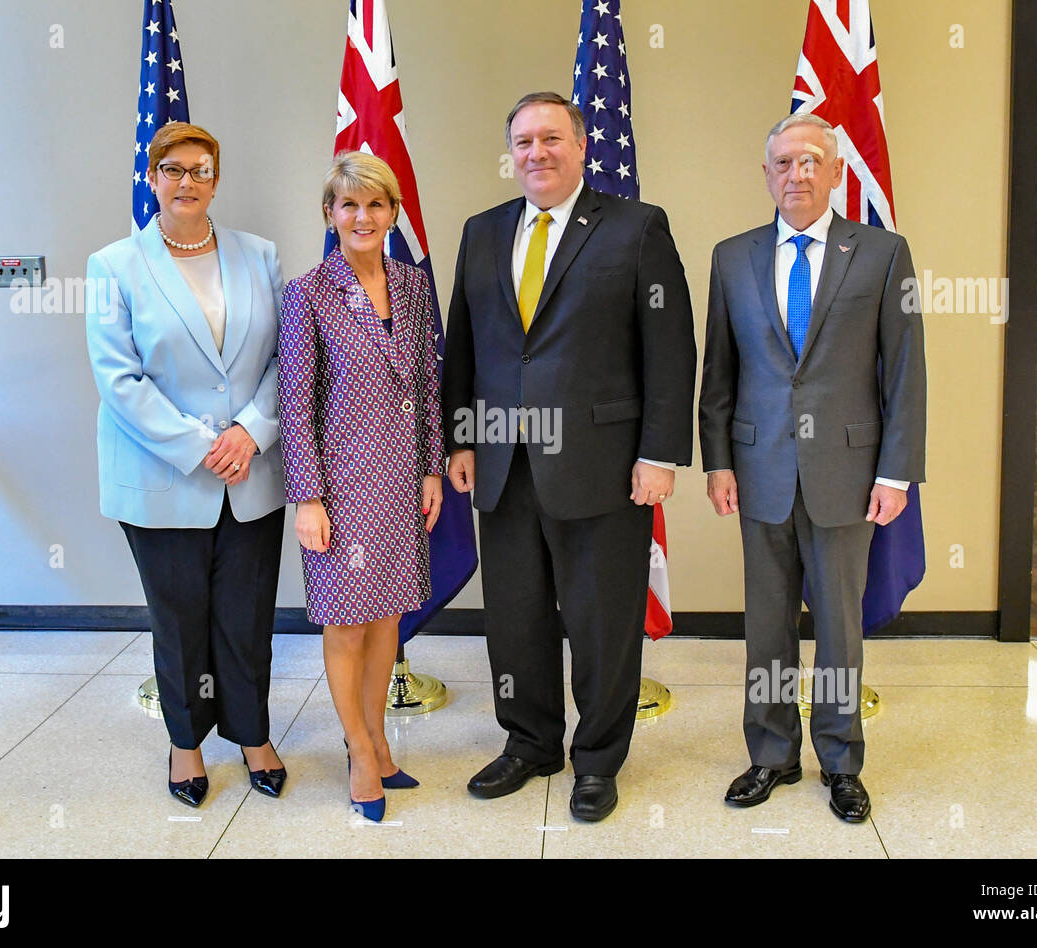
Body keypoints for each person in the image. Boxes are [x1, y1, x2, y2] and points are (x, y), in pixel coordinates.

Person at [443, 92, 696, 822]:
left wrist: (659, 454)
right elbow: (466, 344)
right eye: (523, 142)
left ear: (581, 146)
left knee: (600, 620)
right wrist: (461, 436)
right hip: (503, 462)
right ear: (511, 152)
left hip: (604, 463)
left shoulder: (635, 227)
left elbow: (670, 349)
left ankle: (597, 759)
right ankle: (529, 743)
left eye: (551, 138)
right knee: (515, 618)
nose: (537, 153)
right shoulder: (483, 232)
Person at [699, 112, 926, 823]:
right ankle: (770, 754)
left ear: (834, 172)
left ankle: (840, 758)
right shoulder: (732, 257)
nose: (795, 174)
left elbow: (905, 371)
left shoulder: (883, 253)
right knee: (767, 626)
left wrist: (897, 473)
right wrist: (717, 462)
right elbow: (720, 372)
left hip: (848, 475)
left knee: (838, 626)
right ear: (765, 175)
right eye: (782, 164)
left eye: (809, 162)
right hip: (759, 469)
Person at [86, 122, 289, 807]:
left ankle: (253, 734)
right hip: (164, 476)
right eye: (173, 169)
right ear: (152, 177)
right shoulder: (113, 266)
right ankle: (186, 744)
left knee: (246, 613)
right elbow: (119, 380)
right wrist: (205, 444)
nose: (187, 182)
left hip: (251, 473)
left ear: (216, 179)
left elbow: (285, 363)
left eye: (201, 170)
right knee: (178, 617)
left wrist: (251, 432)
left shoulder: (258, 256)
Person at [277, 151, 444, 823]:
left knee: (386, 621)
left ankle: (375, 737)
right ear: (330, 214)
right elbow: (296, 403)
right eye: (349, 204)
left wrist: (432, 467)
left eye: (376, 204)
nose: (363, 216)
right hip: (340, 490)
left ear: (393, 213)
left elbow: (429, 385)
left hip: (401, 484)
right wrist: (307, 498)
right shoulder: (309, 292)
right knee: (347, 626)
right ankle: (359, 752)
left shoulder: (410, 286)